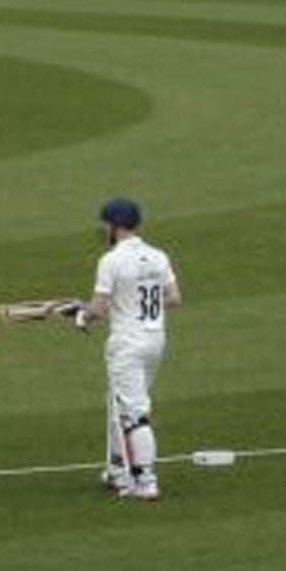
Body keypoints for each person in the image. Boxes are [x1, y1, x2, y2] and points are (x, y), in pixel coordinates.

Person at [73, 198, 179, 501]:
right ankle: (119, 470)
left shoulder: (111, 261)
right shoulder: (158, 256)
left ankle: (145, 481)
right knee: (121, 404)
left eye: (105, 224)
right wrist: (131, 304)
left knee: (134, 412)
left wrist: (83, 314)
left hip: (127, 345)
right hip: (154, 340)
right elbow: (173, 298)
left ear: (115, 226)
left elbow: (100, 307)